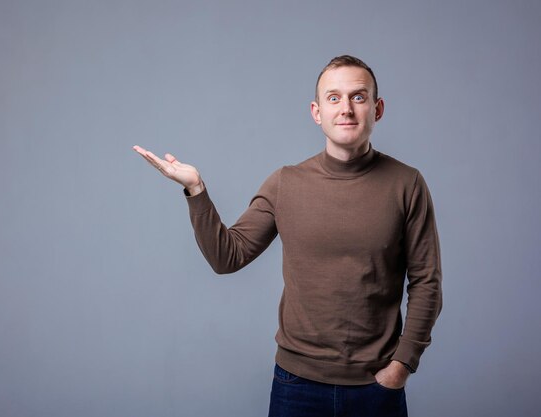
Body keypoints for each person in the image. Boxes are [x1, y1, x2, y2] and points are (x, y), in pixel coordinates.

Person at [133, 55, 442, 417]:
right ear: (316, 111)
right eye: (333, 98)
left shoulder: (407, 184)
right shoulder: (286, 184)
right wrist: (196, 190)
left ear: (378, 108)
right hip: (297, 386)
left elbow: (426, 282)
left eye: (358, 97)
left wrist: (402, 366)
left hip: (376, 387)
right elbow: (226, 257)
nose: (346, 108)